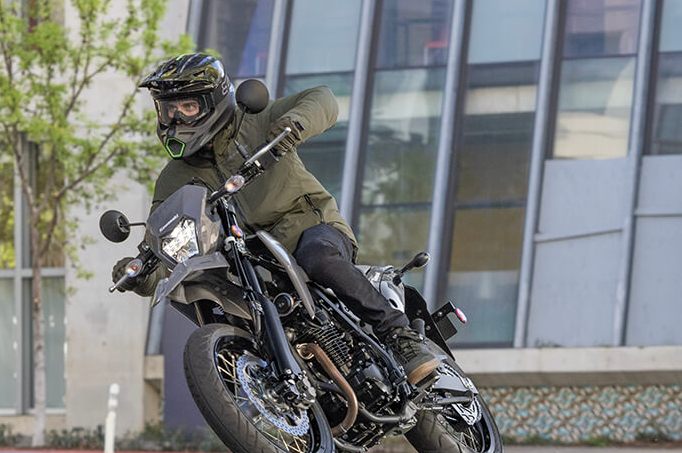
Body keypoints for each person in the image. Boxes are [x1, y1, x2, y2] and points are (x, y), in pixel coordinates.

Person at [112, 52, 440, 385]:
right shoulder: (173, 179)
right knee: (200, 291)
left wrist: (295, 123)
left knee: (318, 257)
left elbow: (323, 100)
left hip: (308, 228)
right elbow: (166, 243)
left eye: (188, 107)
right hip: (249, 265)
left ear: (212, 102)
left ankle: (400, 336)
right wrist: (142, 275)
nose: (176, 118)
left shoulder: (256, 120)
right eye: (169, 109)